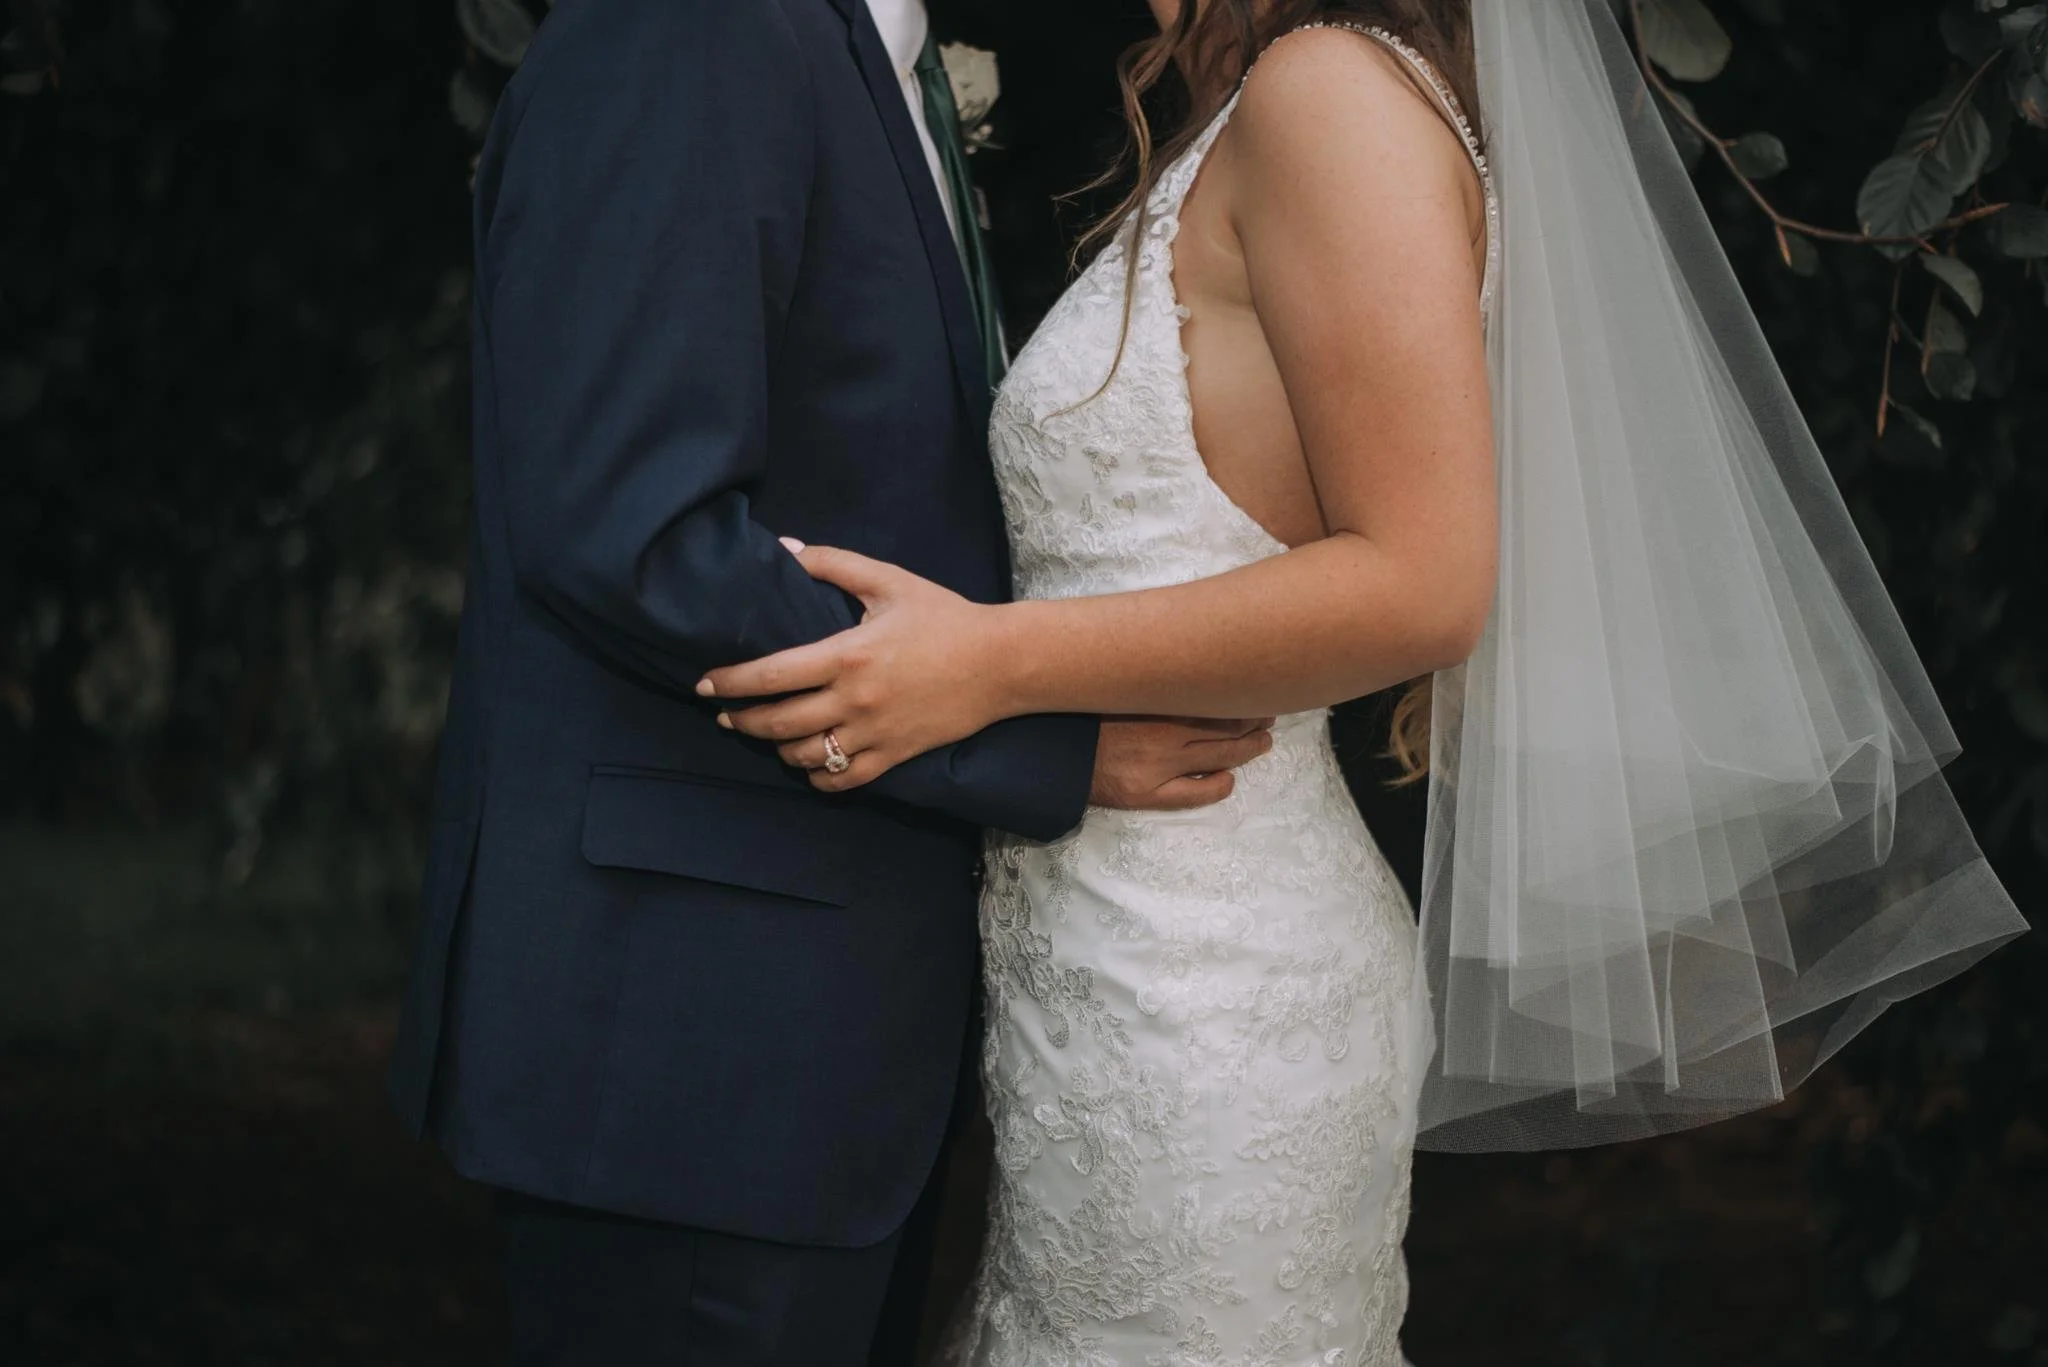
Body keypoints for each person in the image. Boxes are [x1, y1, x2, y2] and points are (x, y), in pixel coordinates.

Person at [705, 0, 2029, 1361]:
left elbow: (1424, 578)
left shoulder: (1326, 95)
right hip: (1109, 966)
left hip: (1211, 989)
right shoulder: (1260, 99)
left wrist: (986, 664)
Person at [383, 0, 1277, 1363]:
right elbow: (637, 532)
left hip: (816, 1048)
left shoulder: (865, 57)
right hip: (694, 1046)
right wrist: (1039, 739)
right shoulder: (696, 29)